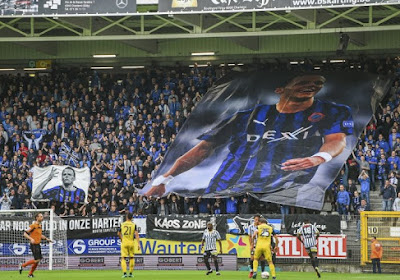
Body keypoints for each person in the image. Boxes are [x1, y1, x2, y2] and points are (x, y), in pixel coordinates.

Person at [145, 75, 353, 206]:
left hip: (285, 193)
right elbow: (202, 150)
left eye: (317, 83)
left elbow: (336, 140)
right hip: (225, 189)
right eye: (303, 82)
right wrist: (165, 179)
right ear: (281, 89)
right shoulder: (245, 116)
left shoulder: (333, 111)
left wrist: (318, 157)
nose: (311, 86)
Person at [19, 213, 53, 278]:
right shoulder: (33, 225)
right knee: (37, 260)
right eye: (41, 216)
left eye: (42, 216)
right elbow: (25, 234)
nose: (42, 217)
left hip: (38, 244)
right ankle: (22, 265)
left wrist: (47, 239)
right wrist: (31, 239)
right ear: (37, 218)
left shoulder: (40, 226)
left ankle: (30, 274)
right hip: (33, 244)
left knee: (37, 260)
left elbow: (40, 235)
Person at [117, 212, 140, 278]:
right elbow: (136, 235)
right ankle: (130, 273)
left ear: (126, 217)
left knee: (123, 258)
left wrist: (122, 239)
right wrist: (138, 244)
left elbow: (118, 233)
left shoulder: (122, 224)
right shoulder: (133, 225)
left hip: (124, 242)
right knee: (132, 257)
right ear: (132, 218)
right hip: (131, 243)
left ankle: (124, 273)